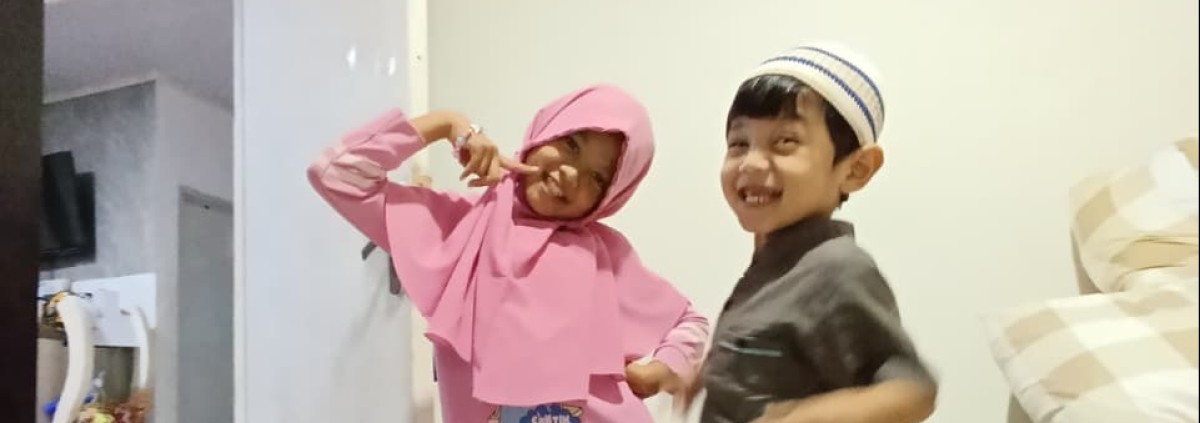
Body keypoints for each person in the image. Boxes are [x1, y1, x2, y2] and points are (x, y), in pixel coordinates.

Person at [307, 84, 709, 422]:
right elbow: (336, 173)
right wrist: (447, 124)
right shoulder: (458, 227)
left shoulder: (605, 255)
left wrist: (660, 370)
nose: (571, 174)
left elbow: (689, 322)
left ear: (611, 196)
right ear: (545, 132)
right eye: (570, 144)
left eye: (598, 177)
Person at [689, 42, 938, 423]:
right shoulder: (773, 267)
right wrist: (712, 375)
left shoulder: (837, 269)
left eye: (784, 142)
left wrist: (798, 418)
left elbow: (913, 392)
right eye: (739, 144)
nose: (751, 162)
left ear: (856, 169)